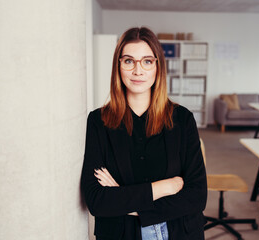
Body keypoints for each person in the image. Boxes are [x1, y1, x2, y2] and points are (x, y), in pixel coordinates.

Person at [81, 27, 207, 240]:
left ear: (158, 67)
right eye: (129, 61)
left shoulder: (182, 119)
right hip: (122, 234)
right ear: (118, 66)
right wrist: (166, 186)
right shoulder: (98, 122)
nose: (138, 71)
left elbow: (196, 196)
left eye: (147, 61)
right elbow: (97, 200)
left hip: (179, 232)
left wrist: (124, 198)